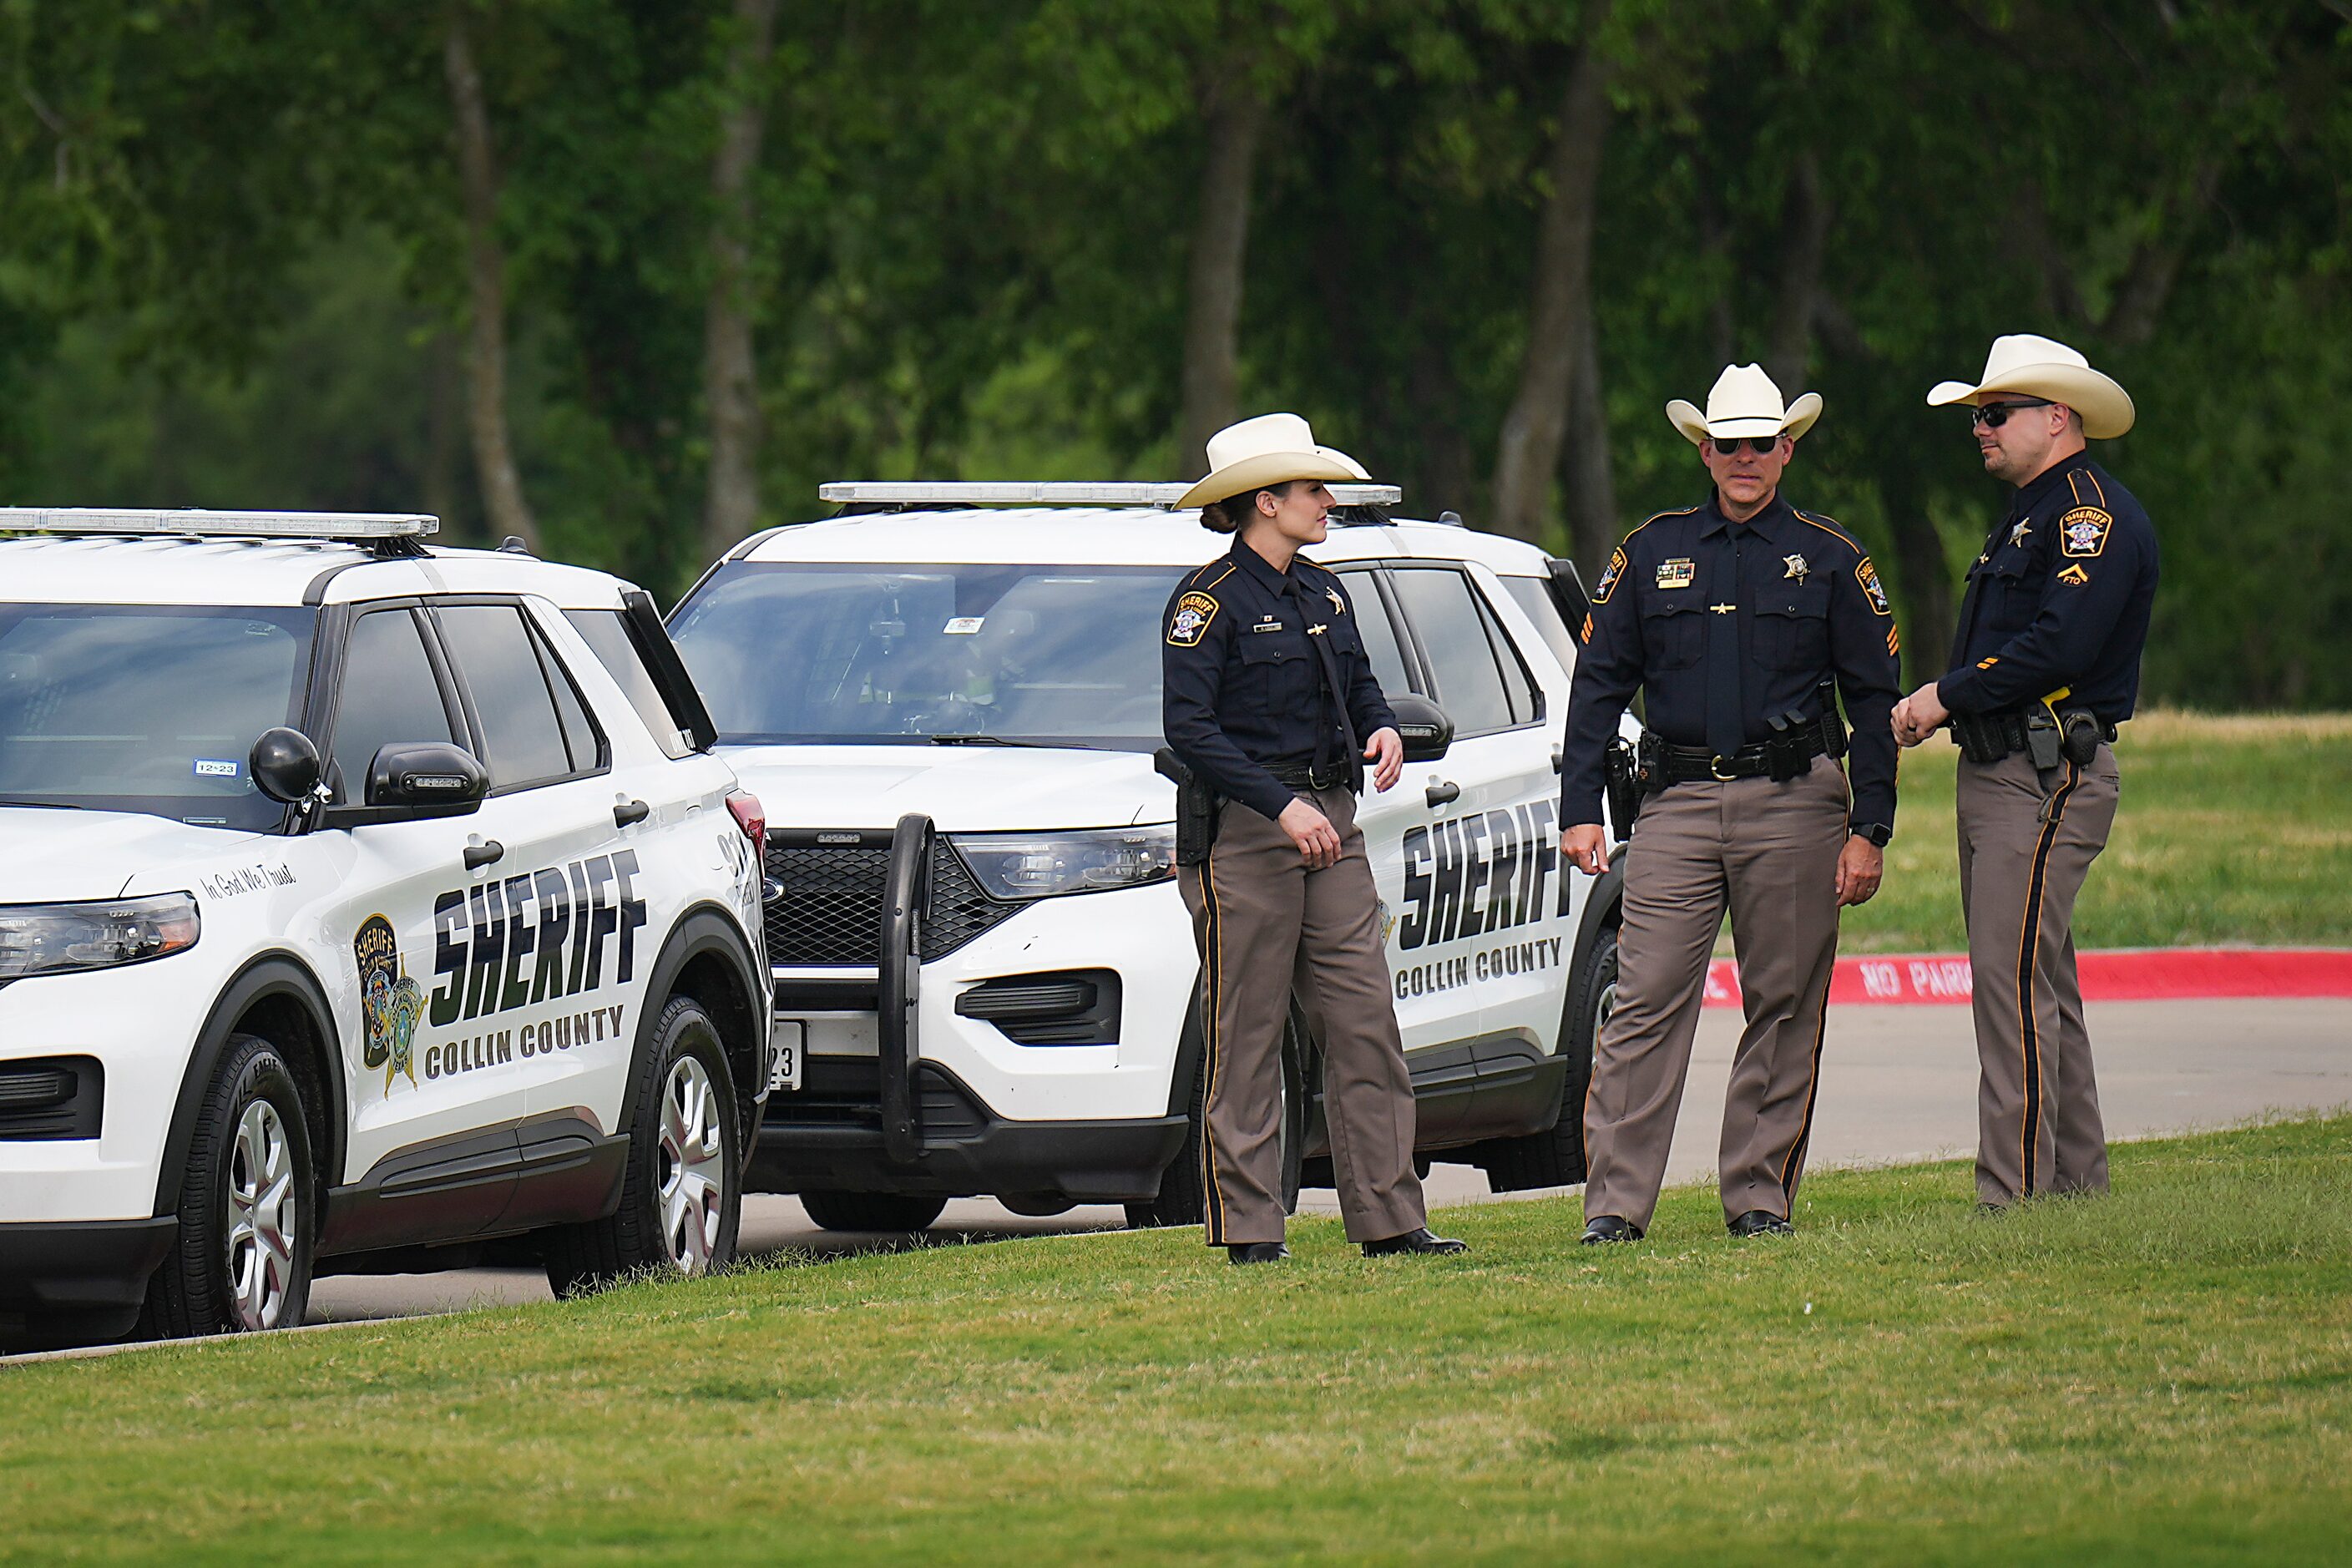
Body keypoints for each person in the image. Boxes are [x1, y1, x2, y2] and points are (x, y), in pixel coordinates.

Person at [1558, 365, 1901, 1245]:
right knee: (1643, 1000)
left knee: (1784, 1002)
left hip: (1795, 800)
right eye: (1727, 443)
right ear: (1703, 451)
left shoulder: (1831, 556)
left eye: (1761, 442)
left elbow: (1872, 701)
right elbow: (1598, 684)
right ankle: (1614, 1207)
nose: (1744, 457)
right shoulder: (1650, 551)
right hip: (1674, 802)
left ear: (1788, 449)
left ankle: (1758, 1197)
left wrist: (1871, 827)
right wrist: (1580, 806)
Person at [1161, 412, 1465, 1263]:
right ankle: (1253, 1230)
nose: (1329, 502)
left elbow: (1363, 684)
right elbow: (1190, 728)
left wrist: (1382, 729)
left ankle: (1392, 1220)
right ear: (1266, 502)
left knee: (1366, 1023)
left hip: (1333, 822)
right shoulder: (1204, 603)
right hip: (1249, 837)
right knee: (1248, 1034)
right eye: (1313, 490)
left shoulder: (1323, 591)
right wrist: (1276, 806)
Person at [1891, 334, 2158, 1211]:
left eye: (1995, 412)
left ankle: (2012, 1194)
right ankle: (2078, 1184)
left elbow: (2061, 644)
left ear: (2058, 415)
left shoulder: (2087, 514)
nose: (1981, 428)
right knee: (2038, 977)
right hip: (2006, 765)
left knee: (2010, 982)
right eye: (1979, 415)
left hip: (2045, 767)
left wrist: (1944, 694)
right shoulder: (2029, 514)